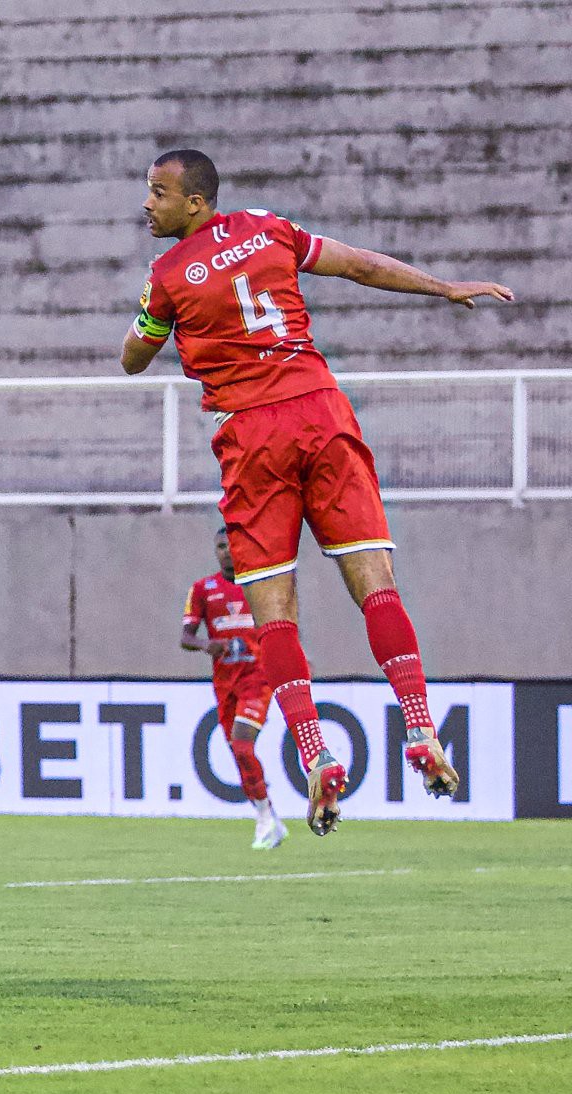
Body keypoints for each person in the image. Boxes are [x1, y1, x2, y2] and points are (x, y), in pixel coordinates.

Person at [120, 148, 512, 835]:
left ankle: (316, 752)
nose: (146, 203)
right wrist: (443, 286)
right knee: (377, 585)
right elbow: (360, 264)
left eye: (158, 192)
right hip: (323, 410)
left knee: (275, 608)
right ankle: (420, 728)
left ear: (196, 202)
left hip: (251, 435)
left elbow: (133, 357)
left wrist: (149, 321)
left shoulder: (166, 276)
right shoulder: (271, 229)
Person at [181, 527, 284, 850]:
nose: (226, 551)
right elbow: (185, 638)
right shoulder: (203, 589)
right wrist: (205, 644)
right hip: (225, 683)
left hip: (258, 676)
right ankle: (266, 815)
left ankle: (266, 818)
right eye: (220, 546)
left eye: (231, 545)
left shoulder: (259, 584)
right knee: (239, 753)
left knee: (242, 745)